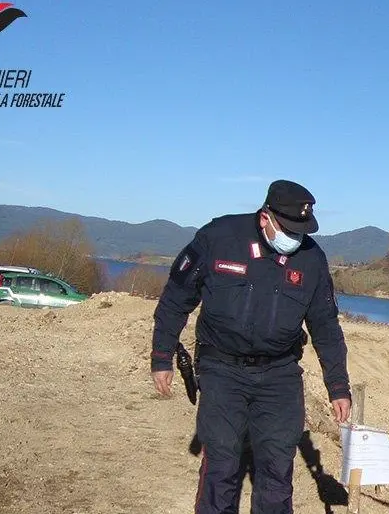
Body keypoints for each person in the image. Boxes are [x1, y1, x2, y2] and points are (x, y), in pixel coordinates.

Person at [149, 179, 352, 514]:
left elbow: (326, 326)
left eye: (302, 231)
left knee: (276, 469)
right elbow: (176, 297)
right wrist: (161, 356)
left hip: (280, 374)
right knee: (222, 464)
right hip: (222, 370)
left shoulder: (312, 259)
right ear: (265, 218)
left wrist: (338, 385)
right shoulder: (218, 238)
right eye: (289, 229)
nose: (296, 238)